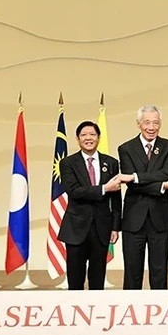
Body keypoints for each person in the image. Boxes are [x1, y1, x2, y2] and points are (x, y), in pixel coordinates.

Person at [117, 105, 168, 290]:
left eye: (155, 122)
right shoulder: (126, 148)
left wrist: (137, 176)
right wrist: (161, 185)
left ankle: (160, 314)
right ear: (138, 124)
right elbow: (131, 183)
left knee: (159, 270)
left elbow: (167, 173)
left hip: (160, 217)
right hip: (133, 218)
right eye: (147, 122)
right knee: (132, 270)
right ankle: (130, 313)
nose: (151, 127)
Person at [58, 121, 124, 290]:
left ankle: (97, 313)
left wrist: (115, 227)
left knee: (98, 278)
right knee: (75, 278)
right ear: (78, 139)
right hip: (76, 228)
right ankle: (75, 313)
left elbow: (116, 199)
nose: (88, 138)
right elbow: (74, 191)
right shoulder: (68, 163)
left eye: (92, 134)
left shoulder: (111, 163)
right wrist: (104, 188)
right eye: (84, 135)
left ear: (98, 137)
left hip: (101, 228)